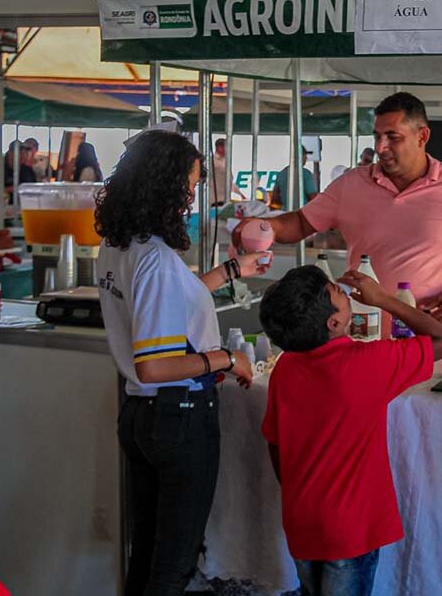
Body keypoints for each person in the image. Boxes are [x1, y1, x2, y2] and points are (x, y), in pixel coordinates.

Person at [94, 131, 269, 595]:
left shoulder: (119, 245)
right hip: (178, 417)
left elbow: (171, 303)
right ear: (164, 185)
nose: (191, 199)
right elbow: (155, 364)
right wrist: (227, 358)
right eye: (188, 187)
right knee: (172, 565)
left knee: (149, 553)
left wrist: (233, 272)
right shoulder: (153, 259)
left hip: (142, 416)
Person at [259, 265, 442, 596]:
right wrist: (385, 300)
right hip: (351, 527)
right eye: (338, 291)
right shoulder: (368, 362)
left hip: (302, 520)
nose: (345, 291)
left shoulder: (285, 368)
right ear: (333, 322)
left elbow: (274, 443)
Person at [242, 92, 442, 331]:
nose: (381, 147)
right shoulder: (351, 184)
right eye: (377, 136)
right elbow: (301, 221)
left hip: (427, 335)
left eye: (393, 137)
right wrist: (265, 228)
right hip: (361, 330)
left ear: (422, 136)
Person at [211, 138, 246, 206]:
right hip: (216, 201)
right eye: (226, 147)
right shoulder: (213, 162)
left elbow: (229, 182)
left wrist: (241, 194)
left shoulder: (225, 161)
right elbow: (226, 181)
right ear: (220, 147)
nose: (228, 149)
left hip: (225, 199)